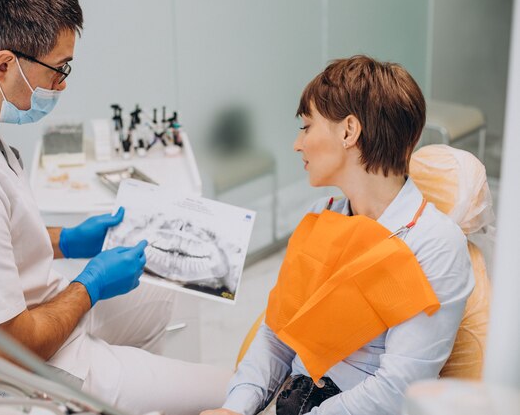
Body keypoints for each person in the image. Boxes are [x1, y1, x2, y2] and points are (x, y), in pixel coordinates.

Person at [0, 0, 230, 414]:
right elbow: (9, 350)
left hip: (37, 307)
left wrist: (66, 240)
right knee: (231, 394)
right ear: (2, 66)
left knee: (158, 297)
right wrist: (89, 286)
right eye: (59, 69)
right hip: (25, 371)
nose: (62, 85)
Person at [202, 55, 475, 415]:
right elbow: (278, 334)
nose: (297, 144)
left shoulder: (433, 243)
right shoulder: (322, 215)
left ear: (349, 132)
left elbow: (397, 391)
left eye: (306, 126)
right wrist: (235, 408)